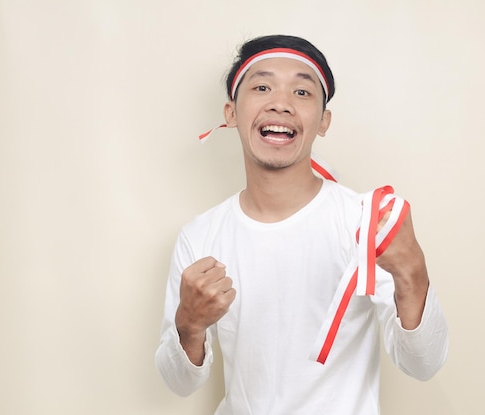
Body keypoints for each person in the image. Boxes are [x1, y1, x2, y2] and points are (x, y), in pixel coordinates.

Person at [155, 34, 449, 414]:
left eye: (302, 93)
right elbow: (179, 383)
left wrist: (413, 274)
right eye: (262, 87)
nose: (280, 103)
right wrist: (188, 326)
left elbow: (423, 364)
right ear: (231, 113)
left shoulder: (367, 224)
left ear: (323, 121)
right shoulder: (199, 237)